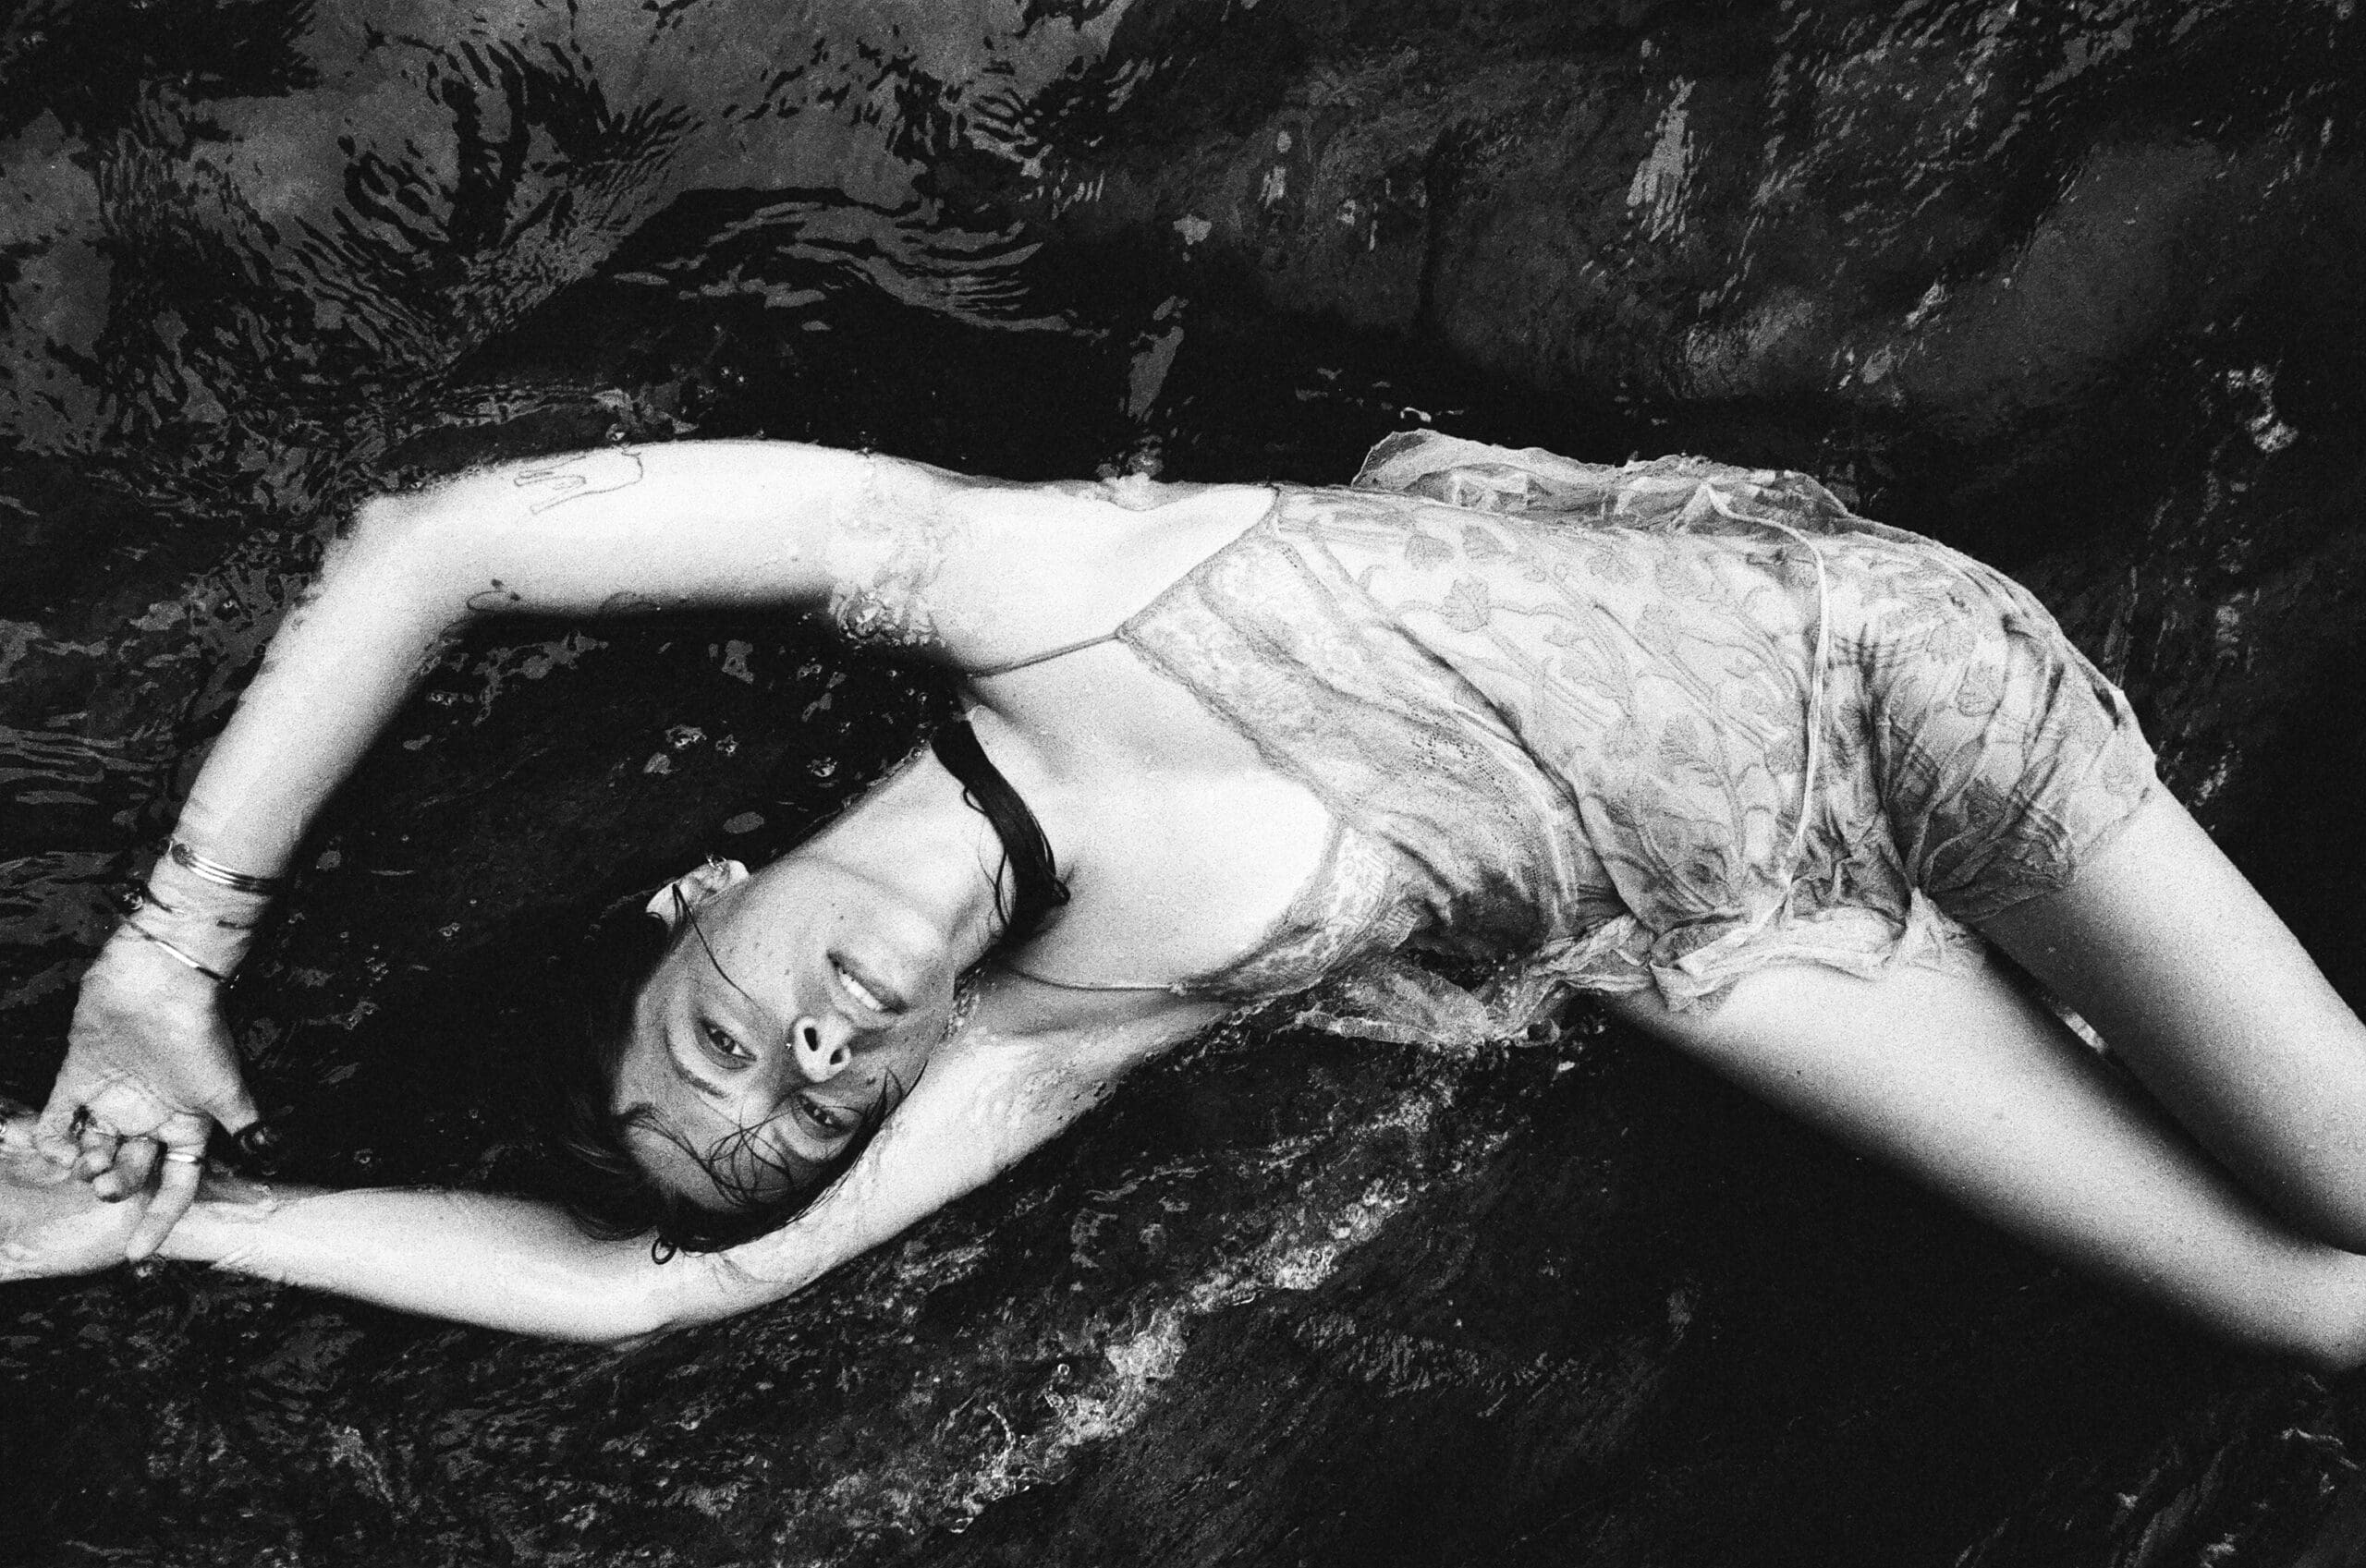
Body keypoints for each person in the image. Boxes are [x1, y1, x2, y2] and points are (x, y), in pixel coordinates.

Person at [9, 432, 2366, 1367]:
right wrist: (183, 1230)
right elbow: (661, 1289)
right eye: (813, 1110)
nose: (809, 1058)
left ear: (697, 889)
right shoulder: (1061, 1025)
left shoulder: (984, 579)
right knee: (2316, 1316)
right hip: (1708, 944)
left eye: (725, 1034)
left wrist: (164, 967)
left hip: (1888, 701)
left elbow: (436, 546)